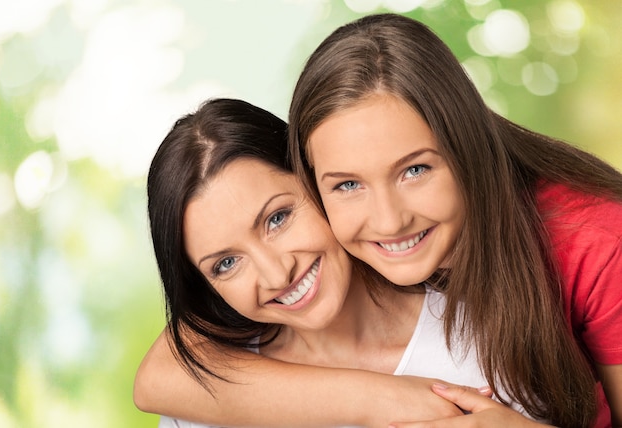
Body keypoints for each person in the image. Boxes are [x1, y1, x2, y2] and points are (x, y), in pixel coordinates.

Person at [136, 13, 622, 428]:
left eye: (278, 218)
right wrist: (385, 397)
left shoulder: (567, 261)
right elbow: (160, 373)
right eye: (348, 184)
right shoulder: (209, 377)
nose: (388, 221)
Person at [141, 97, 527, 428]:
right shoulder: (201, 399)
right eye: (225, 263)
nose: (277, 275)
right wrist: (380, 399)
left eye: (278, 219)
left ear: (319, 180)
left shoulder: (487, 340)